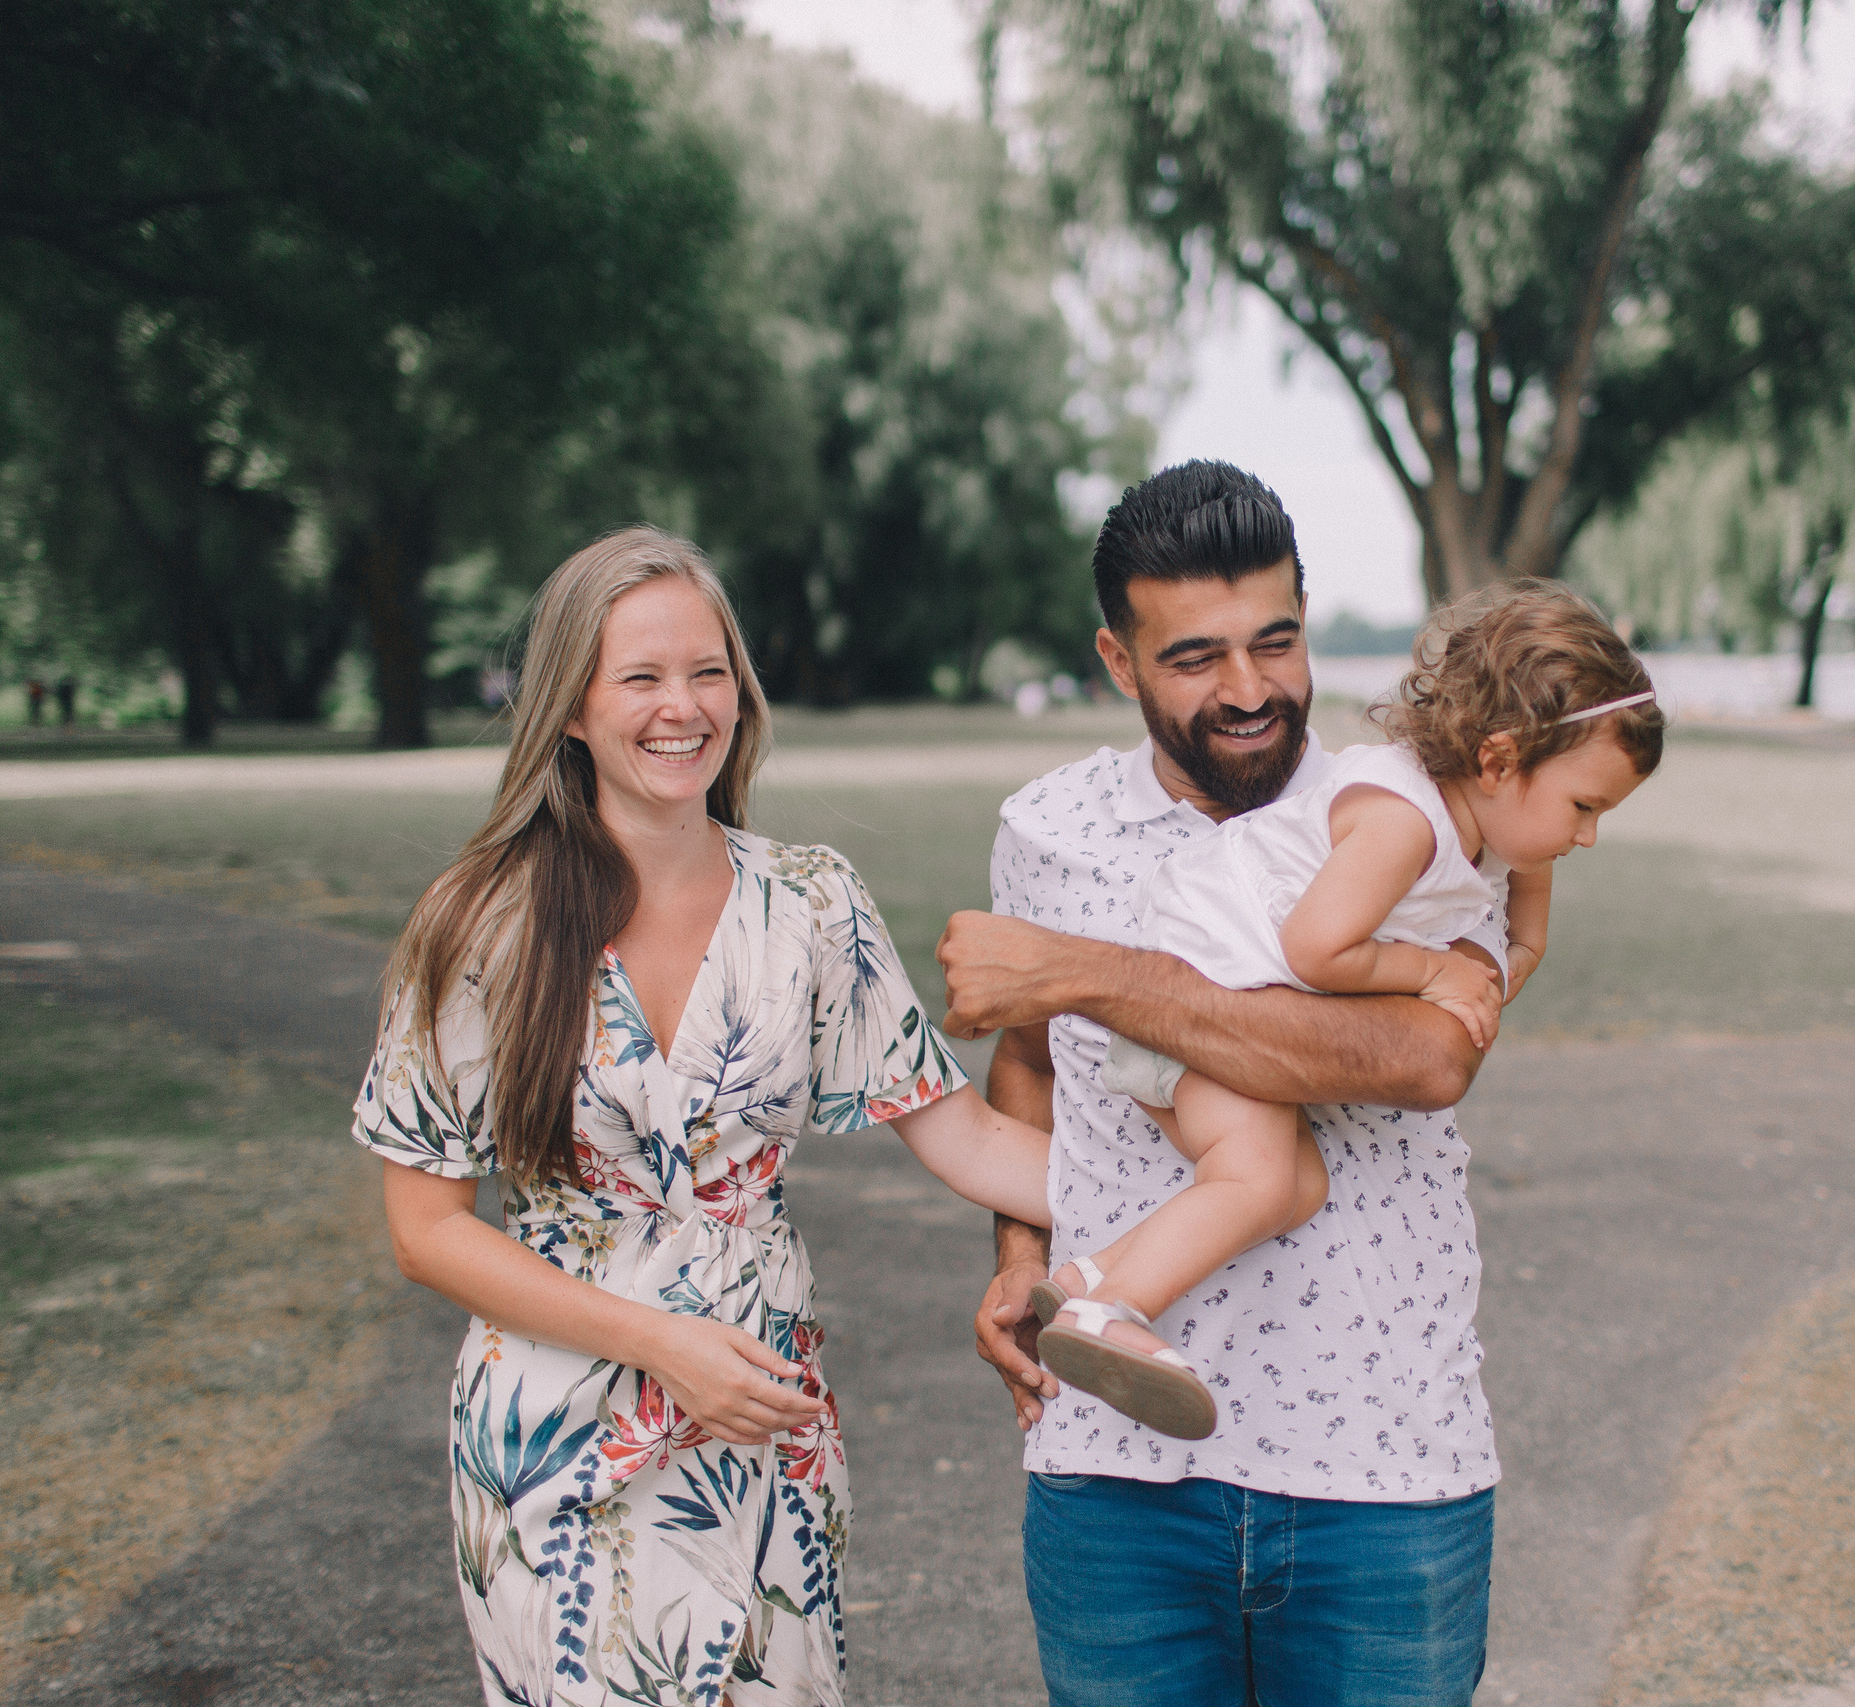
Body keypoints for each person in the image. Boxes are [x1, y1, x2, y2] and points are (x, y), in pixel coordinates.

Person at [937, 461, 1643, 1706]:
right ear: (1117, 662)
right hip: (1112, 1469)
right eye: (1196, 657)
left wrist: (1091, 973)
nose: (1251, 688)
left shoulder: (1424, 808)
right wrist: (1016, 1251)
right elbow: (1035, 1063)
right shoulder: (1046, 832)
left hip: (1379, 1470)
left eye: (1277, 640)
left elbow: (1424, 1060)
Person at [358, 526, 1051, 1706]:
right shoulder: (479, 919)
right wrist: (659, 1343)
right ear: (569, 707)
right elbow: (426, 1232)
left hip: (762, 1424)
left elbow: (970, 1140)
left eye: (708, 671)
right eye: (640, 677)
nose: (682, 708)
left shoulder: (814, 902)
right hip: (555, 1438)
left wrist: (1214, 1185)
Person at [1027, 580, 1660, 1439]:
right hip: (1198, 996)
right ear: (1501, 760)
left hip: (1226, 1000)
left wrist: (1517, 947)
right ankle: (1109, 1314)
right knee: (1256, 1181)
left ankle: (1084, 1275)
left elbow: (1524, 911)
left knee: (1298, 1186)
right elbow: (1314, 949)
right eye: (1584, 808)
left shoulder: (1490, 807)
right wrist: (1435, 969)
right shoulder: (1402, 819)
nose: (1586, 836)